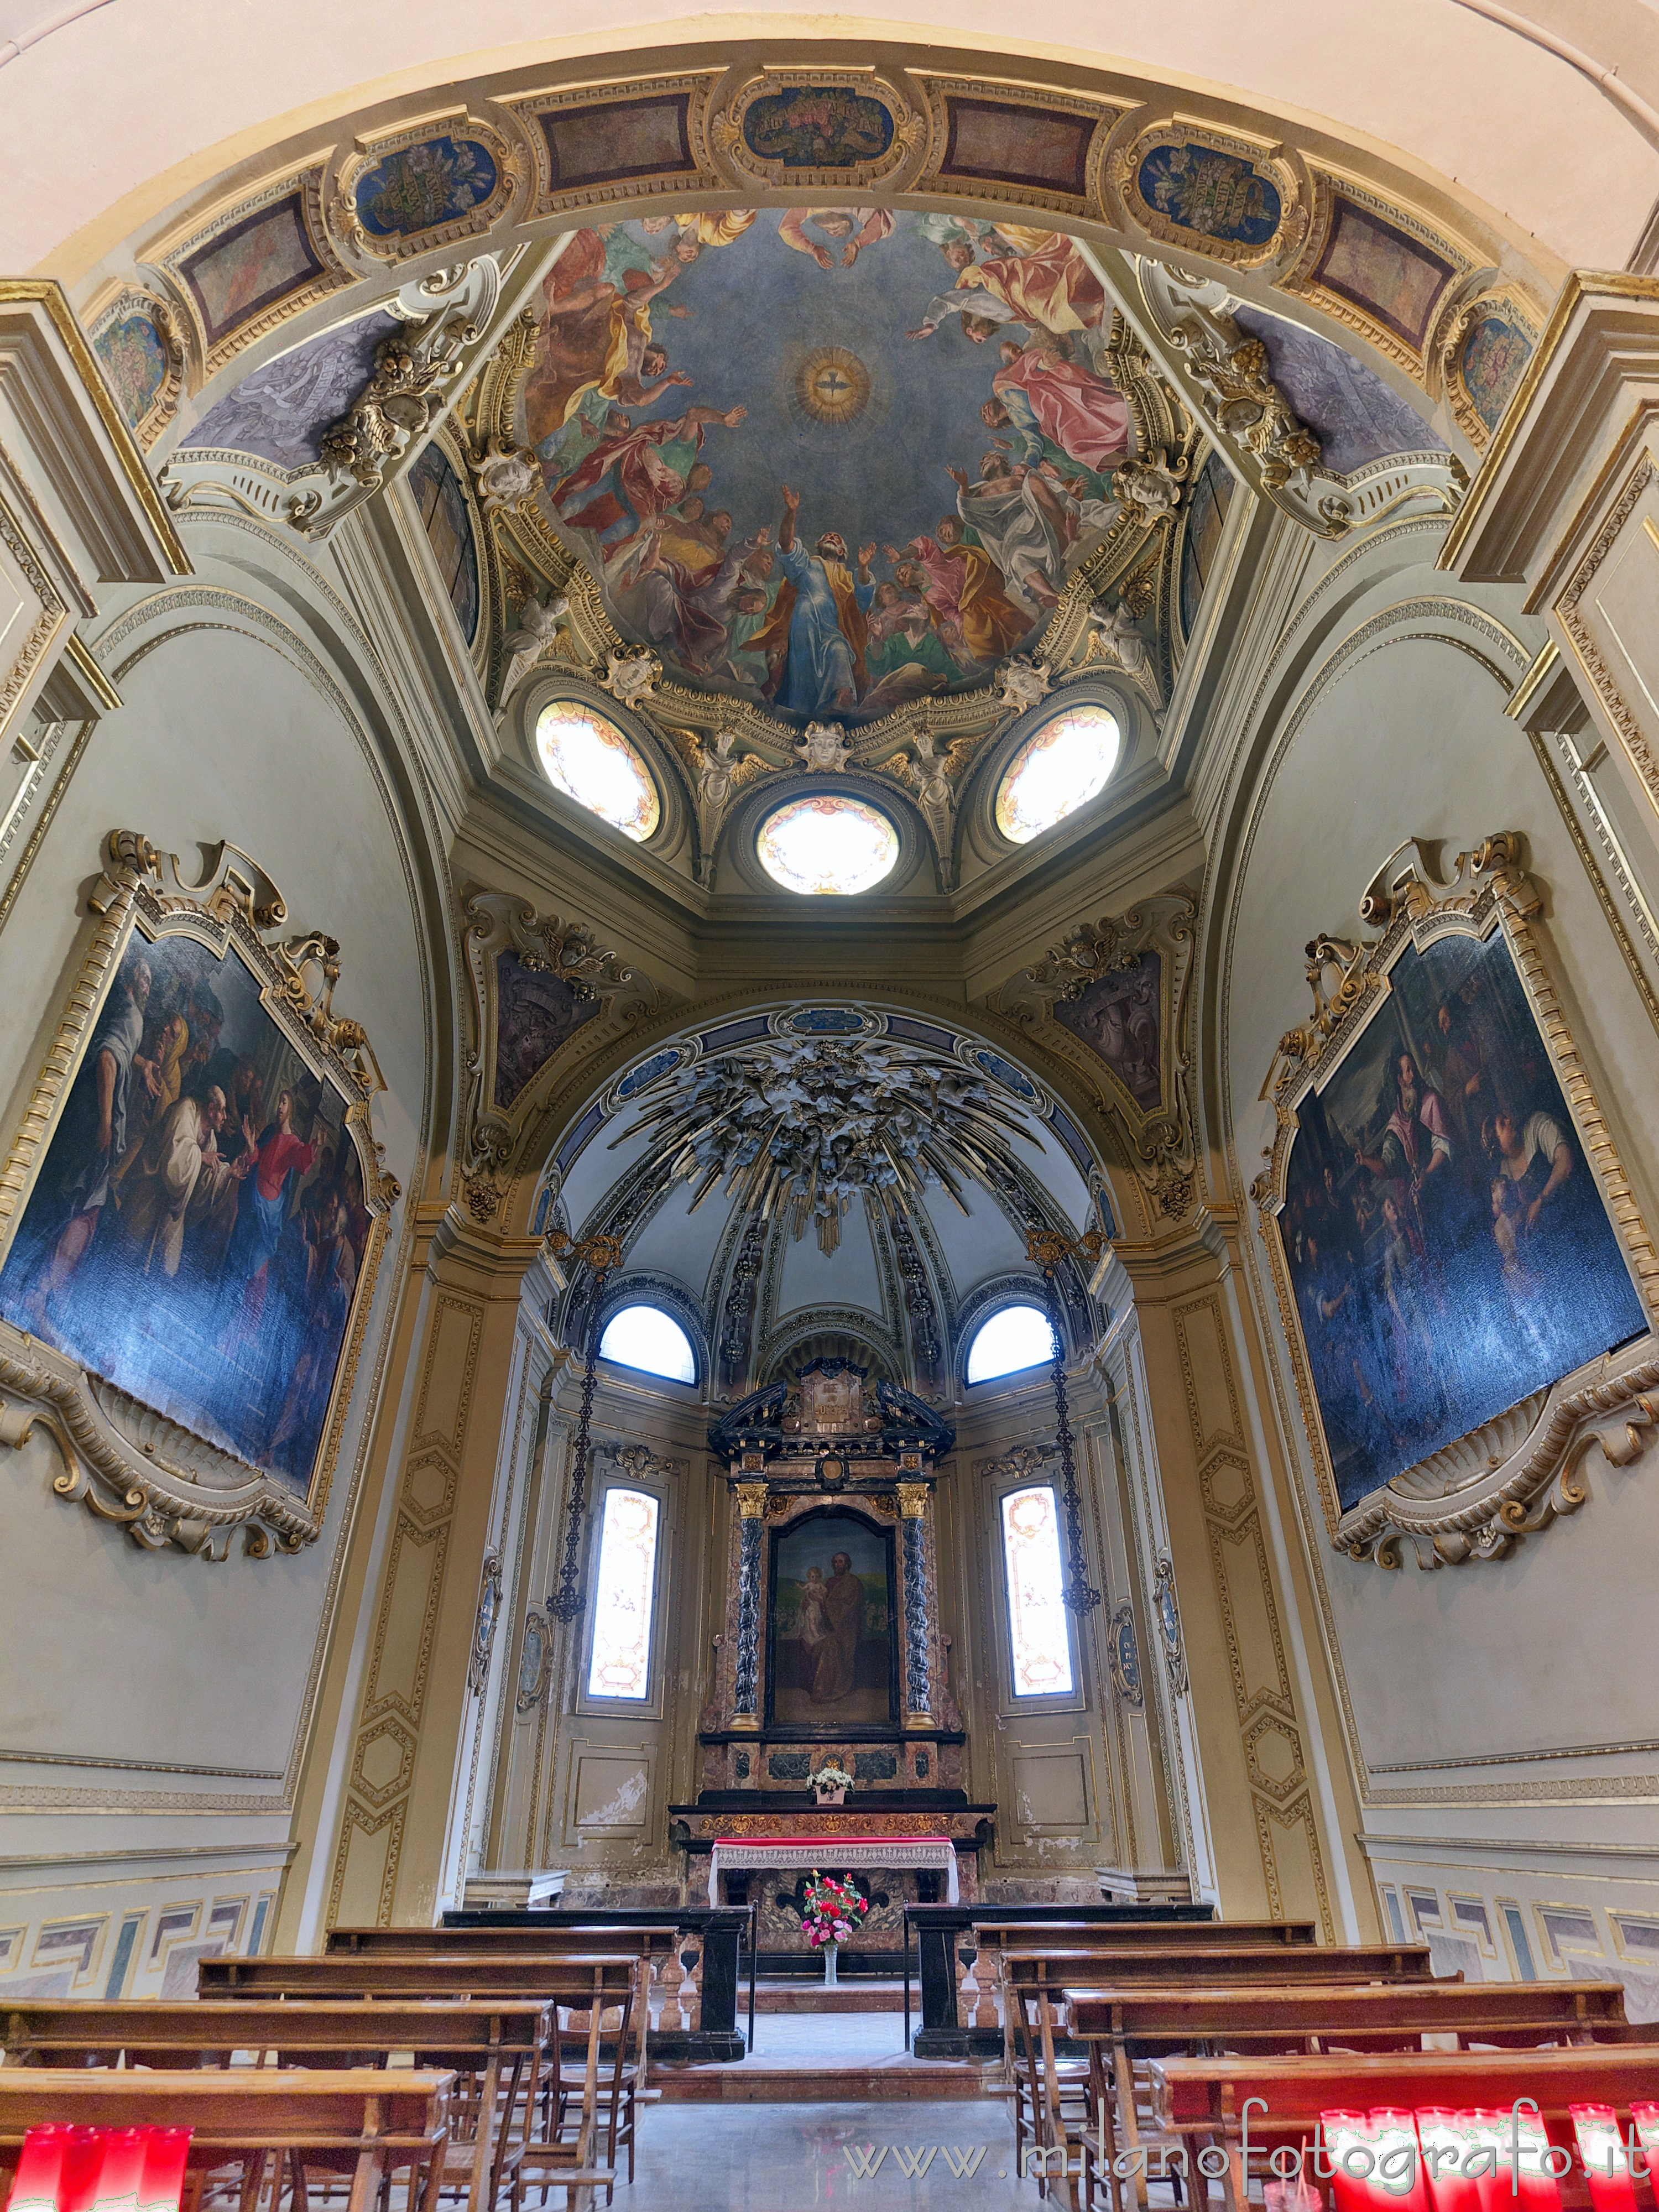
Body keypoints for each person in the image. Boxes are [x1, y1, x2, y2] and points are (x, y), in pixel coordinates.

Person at [12, 954, 152, 1331]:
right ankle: (36, 1294)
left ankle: (36, 1292)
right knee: (82, 1212)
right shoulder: (132, 1014)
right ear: (133, 980)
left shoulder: (123, 1009)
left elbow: (119, 1047)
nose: (148, 988)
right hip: (94, 1121)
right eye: (146, 980)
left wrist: (141, 1065)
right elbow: (108, 1057)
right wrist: (107, 1123)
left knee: (78, 1208)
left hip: (84, 1117)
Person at [749, 486, 876, 712]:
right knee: (802, 673)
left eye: (836, 539)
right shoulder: (808, 564)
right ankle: (801, 710)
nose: (831, 538)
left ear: (841, 552)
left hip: (833, 630)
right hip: (804, 625)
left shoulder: (847, 578)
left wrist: (864, 568)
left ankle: (841, 699)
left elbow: (861, 604)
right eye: (827, 537)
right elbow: (787, 546)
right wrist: (791, 513)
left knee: (839, 650)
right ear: (819, 546)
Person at [114, 1084, 255, 1281]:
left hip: (173, 1206)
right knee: (129, 1255)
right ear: (212, 1109)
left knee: (165, 1268)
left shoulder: (211, 1139)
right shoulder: (186, 1109)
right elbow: (174, 1157)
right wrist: (200, 1157)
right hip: (151, 1191)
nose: (224, 1117)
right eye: (222, 1111)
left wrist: (227, 1173)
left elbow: (201, 1185)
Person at [990, 335, 1132, 474]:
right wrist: (1027, 464)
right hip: (1059, 422)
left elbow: (1032, 361)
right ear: (995, 422)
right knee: (1075, 449)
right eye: (1014, 351)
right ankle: (1126, 461)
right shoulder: (1017, 417)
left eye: (1017, 347)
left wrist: (1046, 363)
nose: (1019, 351)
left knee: (1105, 409)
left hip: (1064, 400)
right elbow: (1035, 444)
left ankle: (1130, 417)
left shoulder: (1004, 382)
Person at [810, 1551, 864, 1703]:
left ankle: (826, 1690)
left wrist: (823, 1603)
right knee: (820, 1644)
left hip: (846, 1630)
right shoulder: (829, 1582)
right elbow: (824, 1607)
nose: (837, 1565)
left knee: (830, 1646)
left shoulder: (853, 1583)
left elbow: (849, 1609)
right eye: (835, 1562)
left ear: (847, 1564)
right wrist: (812, 1604)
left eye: (840, 1562)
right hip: (828, 1626)